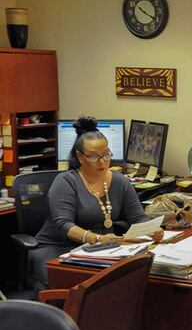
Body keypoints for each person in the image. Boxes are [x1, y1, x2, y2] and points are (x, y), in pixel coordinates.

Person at [28, 116, 163, 290]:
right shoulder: (66, 182)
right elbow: (64, 225)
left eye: (106, 154)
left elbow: (137, 217)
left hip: (102, 249)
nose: (103, 161)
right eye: (94, 157)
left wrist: (152, 229)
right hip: (60, 248)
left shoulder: (120, 181)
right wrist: (97, 239)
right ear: (80, 156)